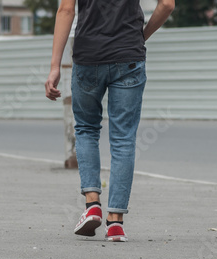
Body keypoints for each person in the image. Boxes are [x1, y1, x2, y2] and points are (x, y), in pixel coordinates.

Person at [45, 0, 175, 242]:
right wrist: (141, 36)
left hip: (88, 57)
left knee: (86, 129)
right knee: (124, 138)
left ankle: (92, 205)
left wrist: (54, 66)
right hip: (129, 56)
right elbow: (167, 4)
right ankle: (116, 223)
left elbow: (65, 9)